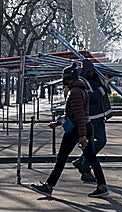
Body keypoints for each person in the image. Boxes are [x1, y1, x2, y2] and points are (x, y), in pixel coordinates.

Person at [31, 62, 109, 198]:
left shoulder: (75, 92)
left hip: (76, 130)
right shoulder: (80, 89)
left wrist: (82, 135)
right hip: (83, 127)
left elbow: (78, 115)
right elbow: (77, 113)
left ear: (68, 78)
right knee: (91, 158)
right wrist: (58, 123)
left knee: (61, 158)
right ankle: (101, 186)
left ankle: (49, 186)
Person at [72, 58, 112, 182]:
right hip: (92, 117)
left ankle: (82, 161)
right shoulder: (82, 81)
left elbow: (107, 87)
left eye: (92, 71)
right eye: (88, 71)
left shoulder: (96, 77)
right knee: (97, 142)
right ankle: (84, 167)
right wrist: (103, 88)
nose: (91, 73)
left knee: (99, 142)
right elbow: (91, 98)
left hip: (99, 115)